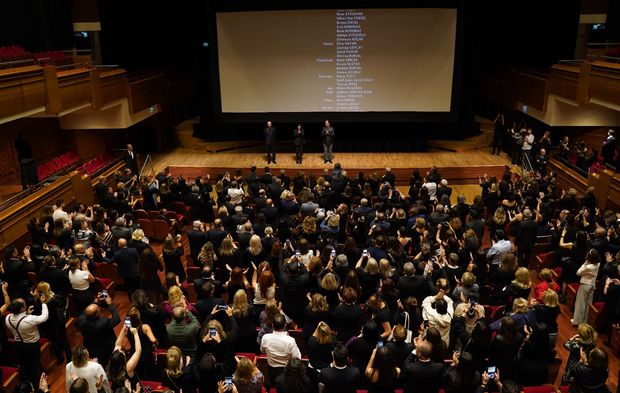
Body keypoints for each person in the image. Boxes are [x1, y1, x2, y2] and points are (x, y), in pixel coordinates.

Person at [5, 297, 49, 386]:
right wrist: (44, 304)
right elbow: (44, 317)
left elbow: (20, 320)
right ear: (21, 308)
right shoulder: (29, 319)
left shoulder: (8, 318)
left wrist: (26, 314)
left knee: (24, 365)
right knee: (35, 365)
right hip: (32, 345)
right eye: (24, 304)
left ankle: (26, 385)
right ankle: (38, 386)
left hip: (18, 345)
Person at [78, 296, 120, 367]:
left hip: (92, 350)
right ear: (97, 314)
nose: (99, 308)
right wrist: (110, 304)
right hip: (107, 350)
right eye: (98, 308)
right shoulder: (103, 323)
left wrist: (96, 300)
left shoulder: (81, 321)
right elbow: (116, 318)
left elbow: (87, 311)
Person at [260, 313, 301, 383]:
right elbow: (297, 358)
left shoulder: (265, 338)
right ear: (285, 325)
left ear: (272, 325)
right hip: (286, 370)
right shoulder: (290, 340)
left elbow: (262, 351)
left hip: (272, 370)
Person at [572, 249, 601, 326]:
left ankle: (577, 321)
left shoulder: (588, 266)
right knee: (588, 304)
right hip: (592, 285)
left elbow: (578, 273)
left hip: (585, 285)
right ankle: (585, 321)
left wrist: (585, 263)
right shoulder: (598, 264)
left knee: (580, 303)